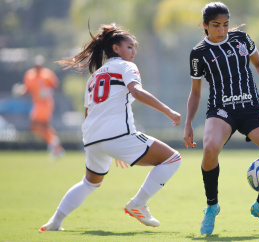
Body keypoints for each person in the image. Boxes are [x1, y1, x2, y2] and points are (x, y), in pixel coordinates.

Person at [39, 23, 182, 232]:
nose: (134, 52)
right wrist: (169, 111)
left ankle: (55, 222)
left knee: (89, 183)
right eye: (130, 47)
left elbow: (89, 112)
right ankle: (138, 204)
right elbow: (137, 92)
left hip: (92, 137)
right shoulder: (126, 67)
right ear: (116, 48)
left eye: (135, 48)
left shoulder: (94, 76)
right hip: (116, 135)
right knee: (172, 159)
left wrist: (110, 145)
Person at [184, 2, 259, 235]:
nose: (222, 30)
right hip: (221, 110)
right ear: (205, 26)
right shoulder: (198, 53)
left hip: (251, 107)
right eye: (216, 25)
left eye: (226, 25)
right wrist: (188, 124)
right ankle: (212, 206)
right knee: (209, 148)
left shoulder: (242, 38)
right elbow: (196, 92)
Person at [14, 55, 64, 158]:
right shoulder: (29, 75)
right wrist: (20, 91)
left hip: (45, 103)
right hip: (37, 103)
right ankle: (55, 145)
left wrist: (47, 91)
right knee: (44, 126)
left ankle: (54, 144)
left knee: (35, 125)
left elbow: (55, 87)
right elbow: (27, 90)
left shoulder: (47, 74)